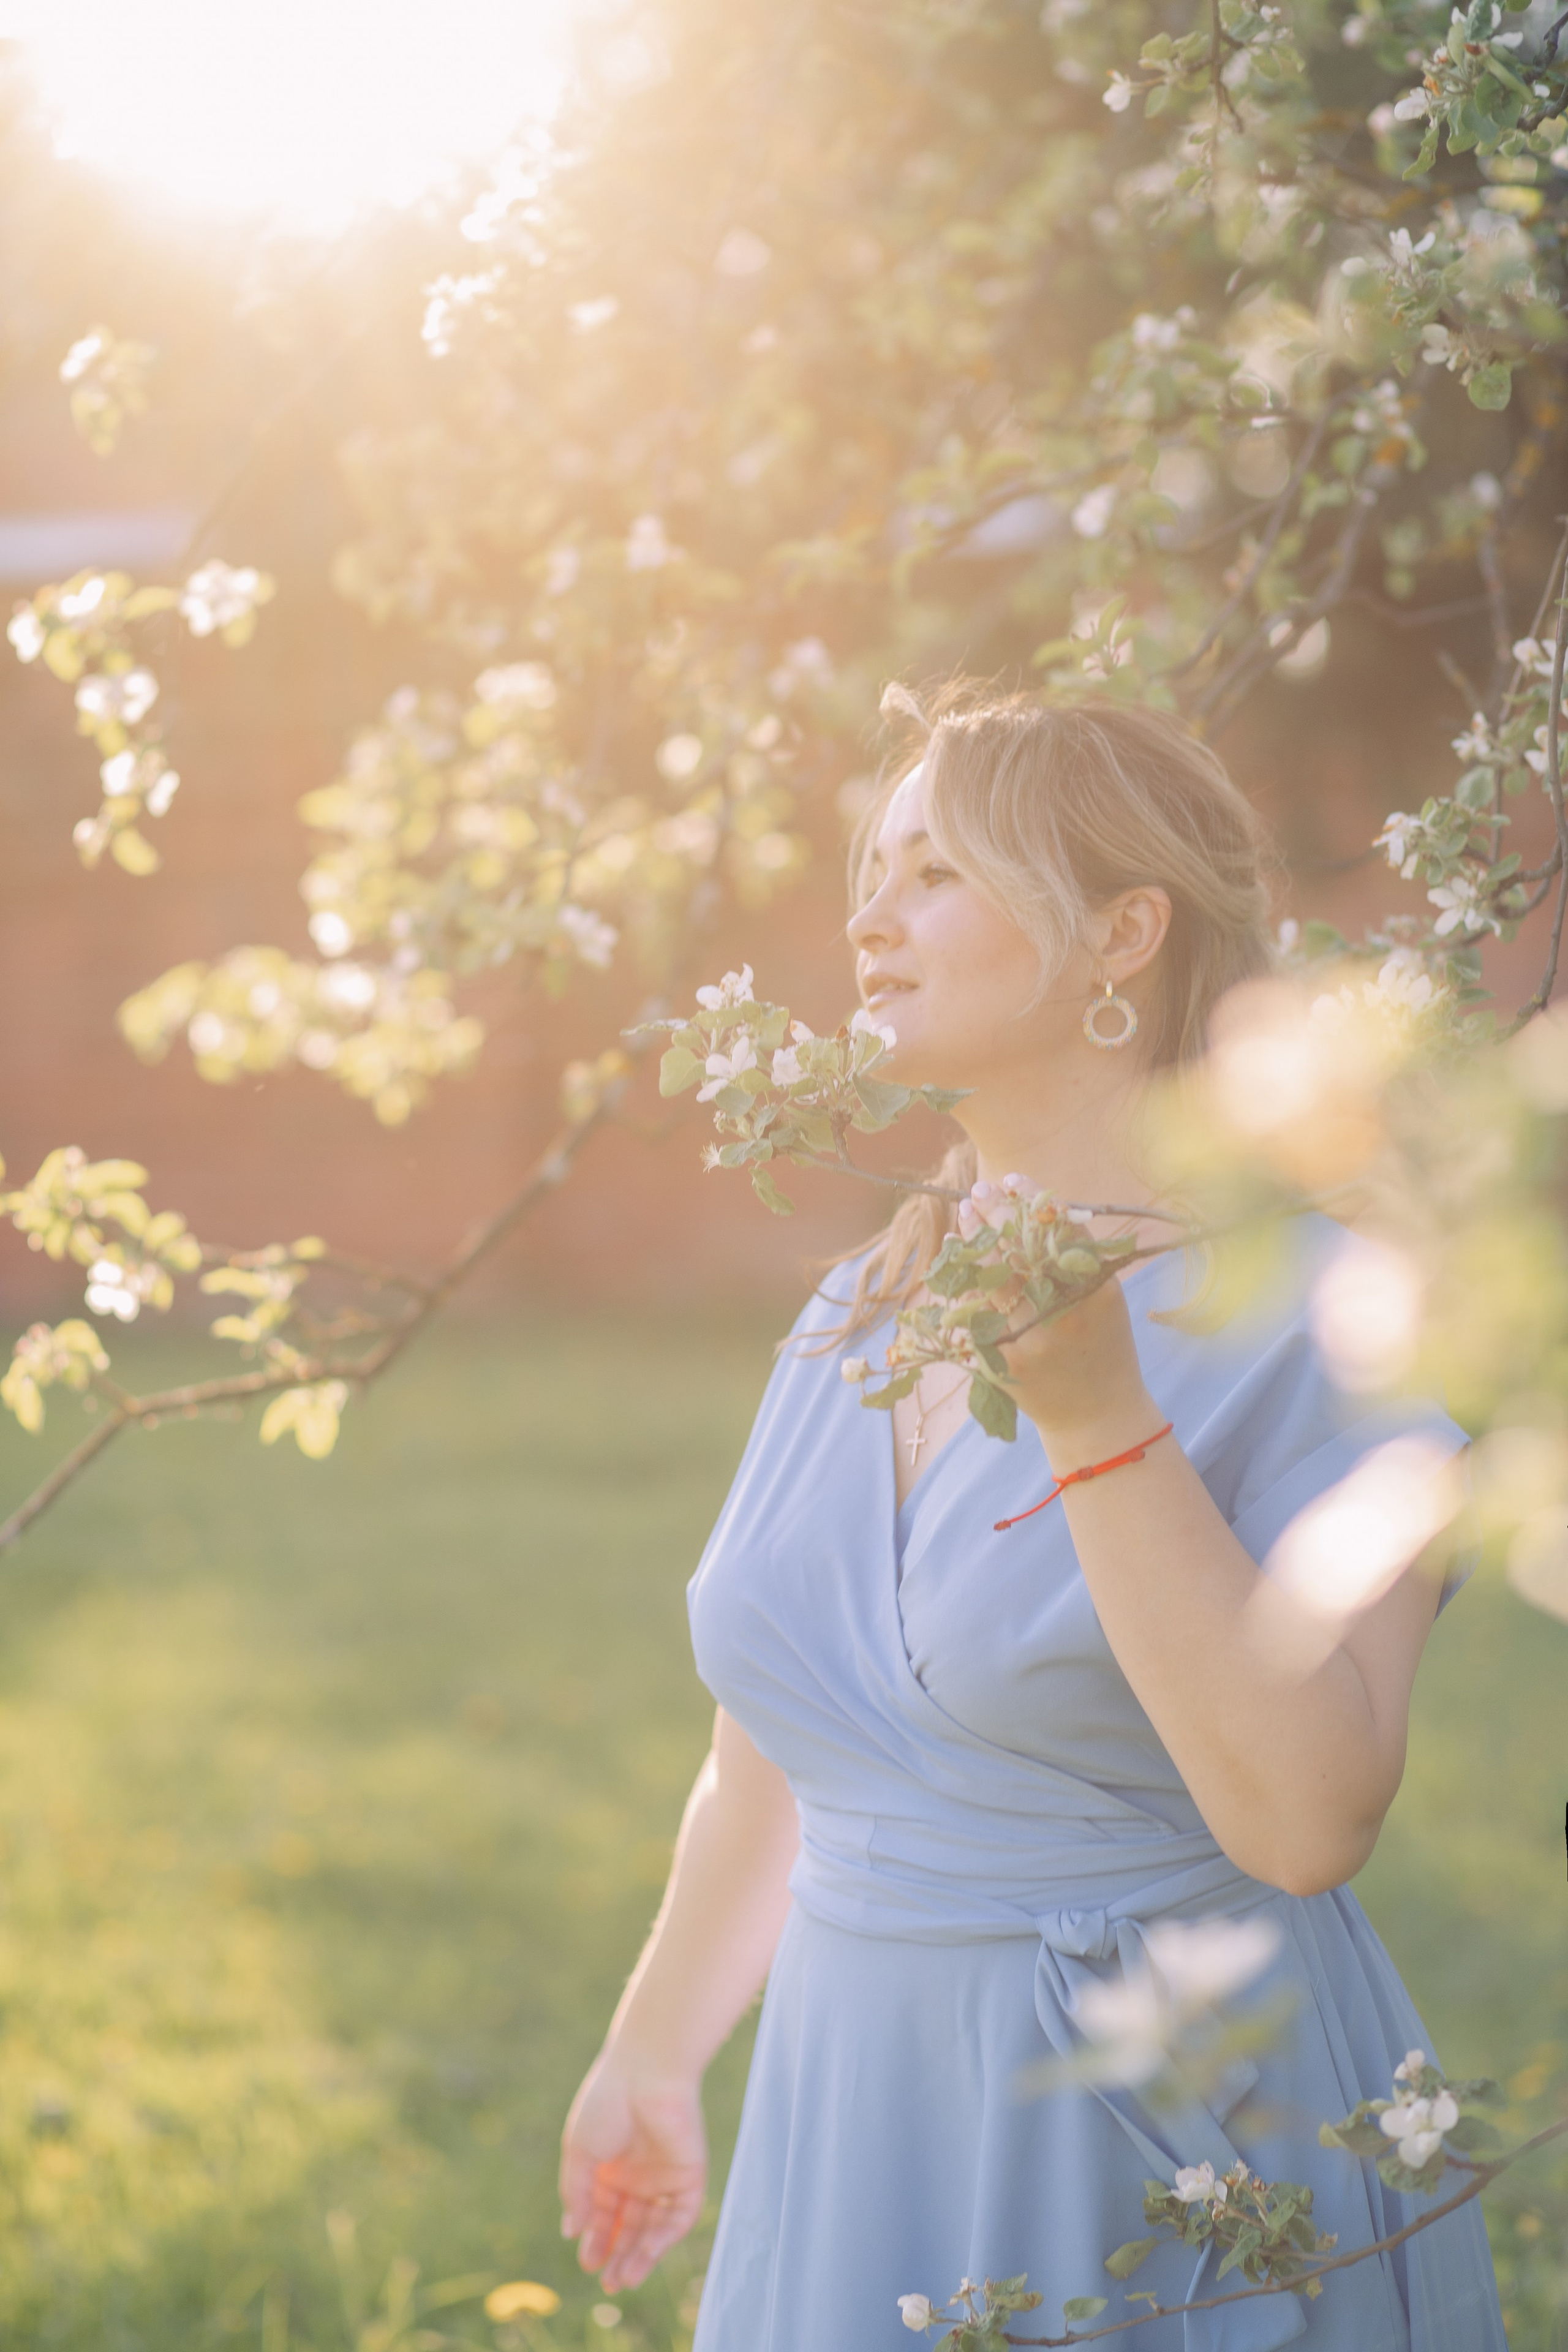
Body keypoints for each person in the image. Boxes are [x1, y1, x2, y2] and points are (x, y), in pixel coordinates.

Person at [558, 687, 1506, 2351]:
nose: (868, 918)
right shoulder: (859, 1308)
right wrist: (652, 2053)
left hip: (1160, 2139)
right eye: (874, 871)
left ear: (1121, 933)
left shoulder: (1332, 1317)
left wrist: (1096, 1419)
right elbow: (781, 1744)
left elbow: (1307, 1820)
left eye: (934, 873)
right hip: (853, 2116)